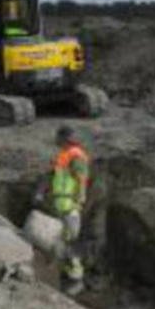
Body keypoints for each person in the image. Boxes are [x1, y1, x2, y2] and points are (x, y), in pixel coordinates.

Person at [34, 125, 90, 296]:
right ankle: (64, 276)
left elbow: (81, 180)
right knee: (61, 243)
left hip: (69, 208)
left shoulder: (76, 156)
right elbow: (51, 175)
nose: (55, 140)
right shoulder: (63, 156)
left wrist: (78, 202)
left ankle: (76, 281)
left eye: (58, 137)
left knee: (70, 243)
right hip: (60, 205)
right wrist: (40, 192)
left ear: (63, 138)